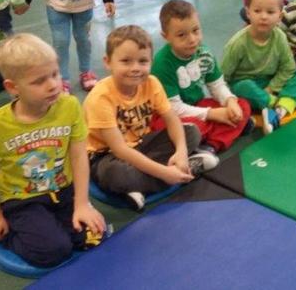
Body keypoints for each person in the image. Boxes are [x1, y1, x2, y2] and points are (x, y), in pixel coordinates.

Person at [0, 33, 106, 267]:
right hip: (23, 199)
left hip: (63, 191)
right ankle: (16, 233)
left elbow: (78, 155)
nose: (53, 84)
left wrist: (82, 203)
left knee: (93, 236)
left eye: (54, 74)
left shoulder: (69, 106)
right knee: (56, 250)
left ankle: (54, 226)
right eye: (39, 81)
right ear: (13, 87)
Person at [85, 25, 214, 211]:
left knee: (192, 132)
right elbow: (120, 149)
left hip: (141, 144)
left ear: (151, 62)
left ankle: (139, 185)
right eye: (126, 61)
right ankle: (185, 171)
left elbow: (172, 119)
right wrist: (164, 173)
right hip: (107, 156)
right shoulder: (101, 98)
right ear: (108, 62)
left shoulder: (151, 83)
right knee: (114, 174)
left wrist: (181, 152)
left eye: (143, 61)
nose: (135, 68)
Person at [151, 0, 253, 155]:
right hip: (170, 116)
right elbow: (174, 109)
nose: (192, 39)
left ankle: (210, 146)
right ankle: (226, 131)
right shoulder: (162, 63)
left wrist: (230, 101)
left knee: (242, 105)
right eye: (181, 35)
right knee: (190, 128)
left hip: (198, 105)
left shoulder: (204, 53)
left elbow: (217, 85)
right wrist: (211, 114)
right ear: (166, 37)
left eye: (196, 30)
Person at [222, 0, 296, 135]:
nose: (264, 17)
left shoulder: (280, 37)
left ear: (280, 16)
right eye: (257, 11)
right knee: (244, 86)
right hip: (248, 86)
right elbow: (223, 77)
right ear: (248, 13)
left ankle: (277, 109)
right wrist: (229, 99)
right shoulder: (238, 43)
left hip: (271, 83)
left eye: (270, 12)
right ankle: (283, 103)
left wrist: (271, 88)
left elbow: (288, 68)